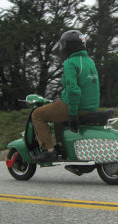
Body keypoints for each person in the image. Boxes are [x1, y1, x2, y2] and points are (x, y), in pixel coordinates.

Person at [32, 30, 100, 162]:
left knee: (37, 114)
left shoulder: (71, 62)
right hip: (90, 107)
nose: (62, 48)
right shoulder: (89, 61)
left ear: (70, 45)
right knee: (57, 116)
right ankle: (62, 147)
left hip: (76, 106)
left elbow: (74, 91)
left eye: (64, 44)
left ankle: (49, 150)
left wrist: (73, 114)